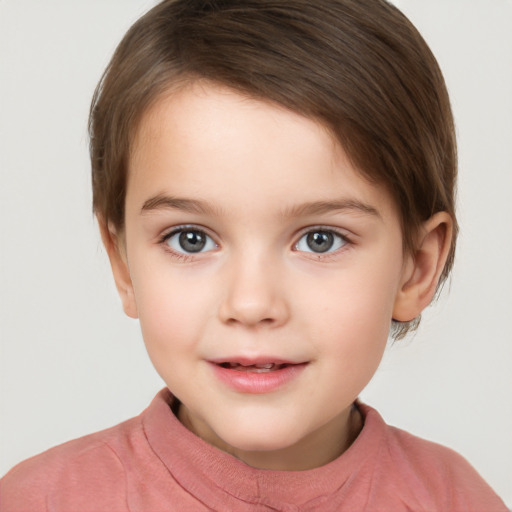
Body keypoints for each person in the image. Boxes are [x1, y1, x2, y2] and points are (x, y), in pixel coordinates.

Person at [0, 0, 508, 510]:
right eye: (191, 239)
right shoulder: (41, 501)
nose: (251, 303)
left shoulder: (456, 501)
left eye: (320, 239)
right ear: (123, 263)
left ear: (416, 268)